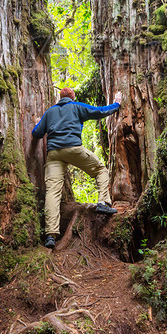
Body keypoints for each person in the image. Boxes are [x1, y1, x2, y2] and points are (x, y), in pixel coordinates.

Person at [32, 87, 122, 249]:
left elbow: (37, 133)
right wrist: (116, 105)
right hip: (73, 148)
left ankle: (50, 235)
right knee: (101, 170)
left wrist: (39, 122)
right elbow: (99, 112)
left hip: (54, 154)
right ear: (73, 97)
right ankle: (103, 202)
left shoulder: (50, 111)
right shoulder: (77, 106)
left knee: (52, 192)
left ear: (59, 98)